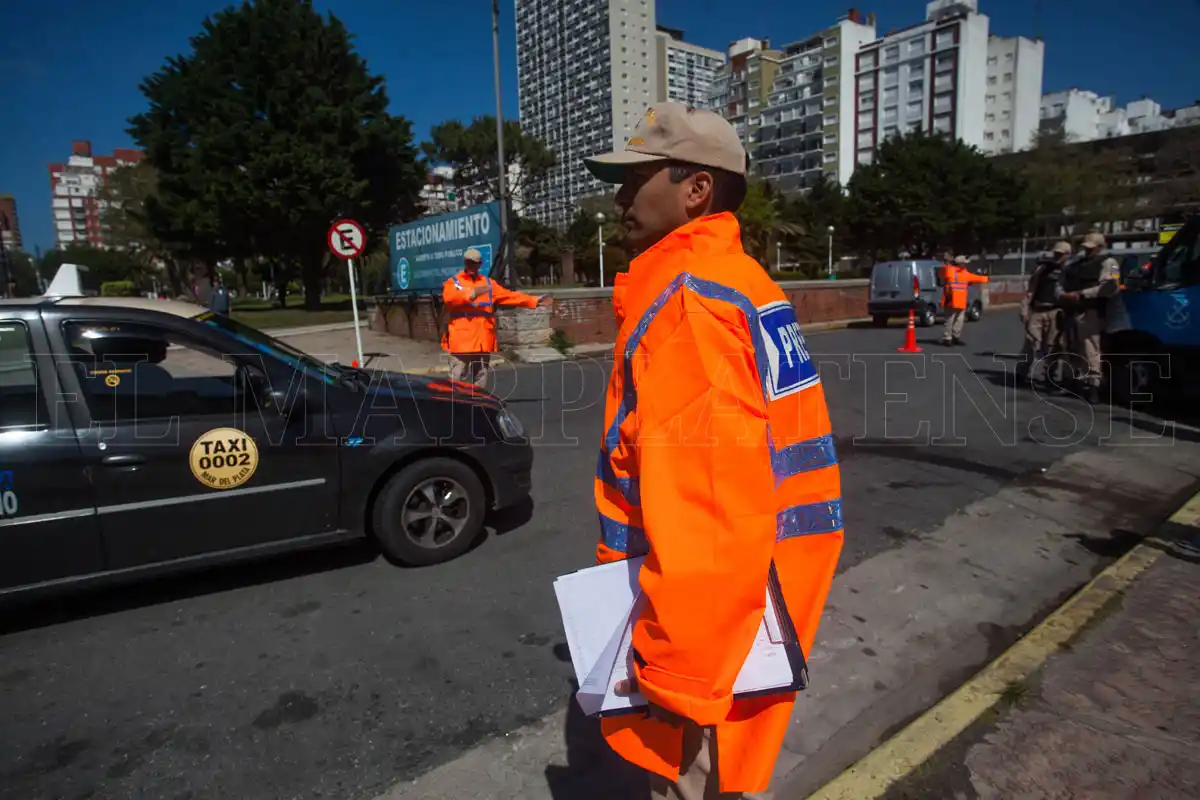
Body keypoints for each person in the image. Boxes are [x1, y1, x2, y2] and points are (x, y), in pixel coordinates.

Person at [583, 102, 844, 799]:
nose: (619, 198)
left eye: (635, 179)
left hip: (706, 634)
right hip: (751, 608)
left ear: (696, 188)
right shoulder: (740, 280)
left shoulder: (689, 308)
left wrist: (675, 673)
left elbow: (710, 511)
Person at [441, 248, 548, 390]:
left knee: (480, 376)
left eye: (474, 263)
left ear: (480, 264)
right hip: (462, 340)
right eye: (469, 262)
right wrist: (472, 293)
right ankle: (453, 402)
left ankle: (479, 401)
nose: (471, 265)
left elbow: (509, 296)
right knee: (457, 375)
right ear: (465, 262)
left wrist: (533, 301)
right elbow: (449, 298)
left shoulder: (488, 283)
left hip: (483, 339)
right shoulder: (454, 283)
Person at [1055, 232, 1120, 404]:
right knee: (1069, 347)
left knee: (1091, 350)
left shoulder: (1111, 263)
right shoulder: (1075, 265)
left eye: (1092, 248)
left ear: (1101, 247)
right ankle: (1072, 381)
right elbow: (1059, 284)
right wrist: (1063, 295)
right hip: (1071, 311)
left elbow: (1111, 287)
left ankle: (1093, 386)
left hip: (1090, 312)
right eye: (1087, 248)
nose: (1088, 251)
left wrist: (1081, 294)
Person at [1017, 241, 1072, 385]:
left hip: (1056, 312)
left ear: (1068, 255)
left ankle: (1050, 375)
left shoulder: (1070, 271)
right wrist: (1024, 309)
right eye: (1056, 254)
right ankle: (1021, 372)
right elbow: (1030, 291)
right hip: (1038, 310)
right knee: (1030, 342)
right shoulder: (1042, 269)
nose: (1057, 257)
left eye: (1061, 254)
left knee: (1053, 347)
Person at [940, 255, 989, 346]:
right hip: (951, 300)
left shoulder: (964, 273)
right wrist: (947, 262)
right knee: (950, 320)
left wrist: (985, 279)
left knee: (959, 320)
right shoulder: (950, 271)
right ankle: (947, 338)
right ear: (960, 264)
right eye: (964, 263)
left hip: (960, 301)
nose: (966, 265)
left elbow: (975, 277)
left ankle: (955, 337)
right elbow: (943, 270)